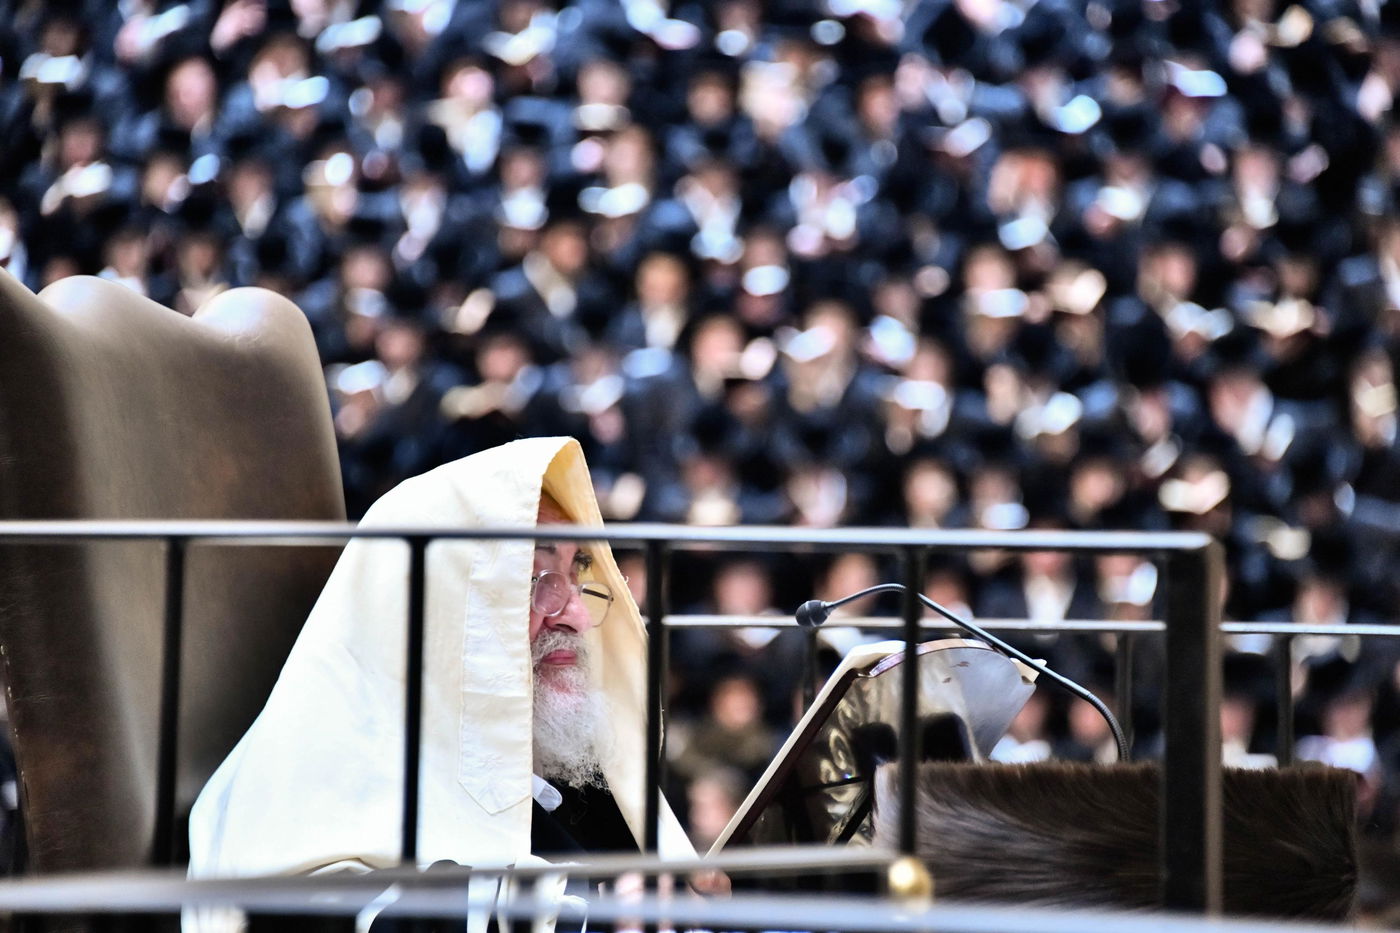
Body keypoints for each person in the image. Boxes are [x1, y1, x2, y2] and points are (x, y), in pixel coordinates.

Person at [188, 436, 694, 926]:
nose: (577, 616)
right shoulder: (316, 784)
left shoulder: (576, 778)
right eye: (536, 580)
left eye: (579, 578)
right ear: (443, 607)